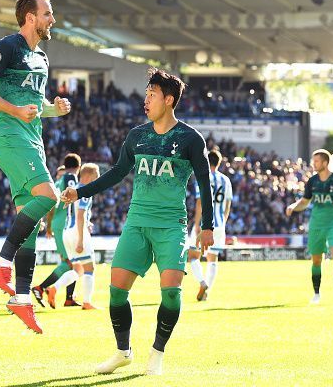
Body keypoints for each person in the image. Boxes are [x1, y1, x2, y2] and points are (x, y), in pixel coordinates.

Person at [61, 68, 214, 376]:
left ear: (168, 100)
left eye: (152, 95)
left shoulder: (190, 139)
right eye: (145, 94)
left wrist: (207, 226)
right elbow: (117, 173)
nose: (146, 100)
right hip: (136, 223)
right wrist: (80, 191)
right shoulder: (136, 136)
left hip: (171, 225)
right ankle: (122, 352)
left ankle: (156, 354)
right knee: (116, 291)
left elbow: (204, 183)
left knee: (171, 291)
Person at [0, 0, 71, 334]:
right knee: (50, 197)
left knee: (30, 219)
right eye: (47, 13)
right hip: (9, 138)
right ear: (30, 17)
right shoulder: (8, 46)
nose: (51, 19)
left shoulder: (41, 58)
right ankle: (2, 262)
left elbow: (34, 103)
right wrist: (14, 110)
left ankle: (23, 298)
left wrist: (52, 109)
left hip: (33, 141)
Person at [286, 149, 333, 305]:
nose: (314, 164)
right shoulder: (312, 181)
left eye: (316, 161)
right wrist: (293, 206)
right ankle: (316, 294)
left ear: (325, 163)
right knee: (317, 260)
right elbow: (304, 202)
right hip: (316, 224)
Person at [46, 163, 101, 310]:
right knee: (90, 268)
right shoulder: (84, 191)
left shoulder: (72, 189)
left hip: (66, 232)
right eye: (96, 175)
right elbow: (80, 215)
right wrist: (81, 239)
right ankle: (87, 303)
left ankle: (54, 289)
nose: (98, 179)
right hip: (78, 232)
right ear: (89, 176)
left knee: (78, 269)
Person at [33, 155, 82, 308]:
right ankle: (40, 288)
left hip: (58, 224)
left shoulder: (57, 183)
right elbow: (73, 200)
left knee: (72, 261)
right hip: (65, 225)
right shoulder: (70, 179)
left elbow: (51, 205)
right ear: (79, 166)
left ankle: (69, 298)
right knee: (69, 262)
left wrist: (48, 226)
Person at [188, 149, 232, 301]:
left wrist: (197, 223)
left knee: (193, 255)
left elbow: (200, 203)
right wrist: (223, 223)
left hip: (203, 223)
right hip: (219, 224)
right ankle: (206, 291)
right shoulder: (226, 180)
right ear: (219, 163)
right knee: (213, 258)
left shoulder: (202, 177)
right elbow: (227, 205)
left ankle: (202, 282)